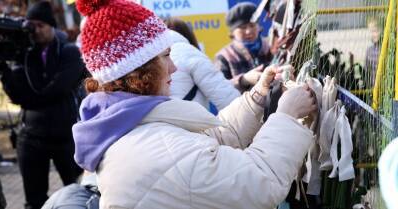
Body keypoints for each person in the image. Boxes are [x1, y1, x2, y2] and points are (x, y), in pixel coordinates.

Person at [73, 0, 317, 208]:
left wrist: (257, 97)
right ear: (140, 72)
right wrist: (286, 115)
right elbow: (260, 181)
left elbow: (212, 139)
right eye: (166, 56)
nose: (174, 67)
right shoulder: (160, 149)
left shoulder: (132, 127)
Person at [0, 1, 84, 208]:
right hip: (32, 138)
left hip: (66, 137)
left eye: (40, 25)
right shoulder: (26, 54)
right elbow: (17, 95)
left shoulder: (69, 52)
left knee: (77, 194)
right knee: (34, 201)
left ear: (51, 25)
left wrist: (30, 100)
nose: (35, 31)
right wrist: (4, 68)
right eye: (31, 26)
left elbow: (57, 90)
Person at [164, 17, 240, 110]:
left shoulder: (150, 54)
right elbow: (225, 97)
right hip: (190, 121)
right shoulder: (186, 51)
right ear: (187, 33)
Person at [214, 2, 274, 92]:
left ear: (258, 26)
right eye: (242, 27)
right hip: (244, 104)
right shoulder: (224, 56)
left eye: (252, 25)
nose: (248, 31)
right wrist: (243, 80)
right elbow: (218, 89)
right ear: (232, 32)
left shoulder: (271, 46)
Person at [364, 17, 381, 86]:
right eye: (370, 32)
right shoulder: (369, 50)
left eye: (375, 31)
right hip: (374, 86)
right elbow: (366, 69)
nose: (373, 34)